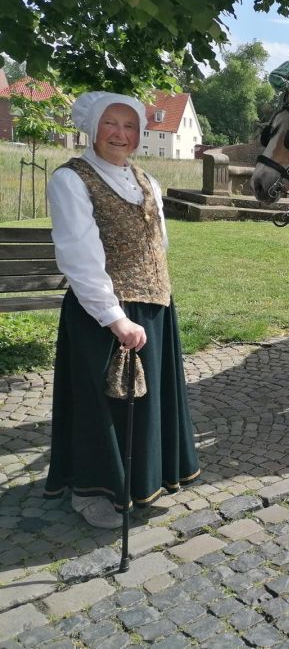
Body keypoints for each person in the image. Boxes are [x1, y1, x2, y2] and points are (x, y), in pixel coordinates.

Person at [43, 92, 200, 528]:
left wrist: (156, 296)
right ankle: (92, 489)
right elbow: (78, 254)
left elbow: (158, 243)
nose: (120, 134)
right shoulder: (71, 180)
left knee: (146, 404)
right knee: (104, 403)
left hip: (153, 306)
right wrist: (114, 316)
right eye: (111, 124)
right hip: (104, 313)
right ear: (93, 129)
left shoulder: (146, 179)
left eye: (129, 126)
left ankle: (141, 481)